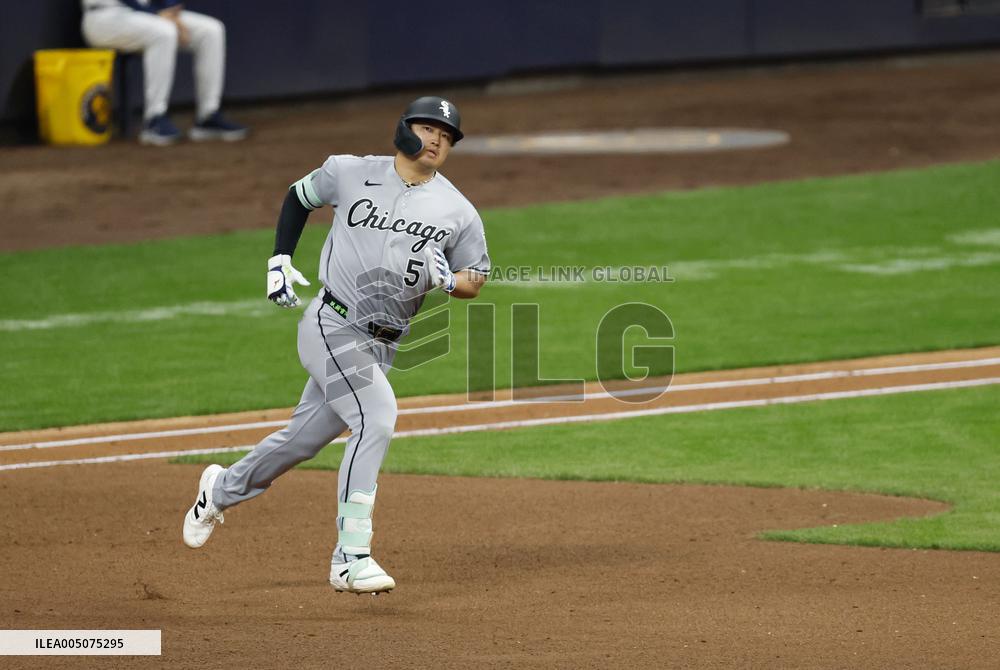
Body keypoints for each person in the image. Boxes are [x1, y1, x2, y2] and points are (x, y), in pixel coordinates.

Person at [182, 96, 490, 595]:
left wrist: (450, 282)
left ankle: (220, 489)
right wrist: (279, 259)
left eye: (447, 135)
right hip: (332, 322)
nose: (437, 140)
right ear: (404, 129)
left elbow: (476, 277)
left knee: (301, 441)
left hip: (384, 346)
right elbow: (299, 196)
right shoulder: (348, 172)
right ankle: (350, 556)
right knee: (377, 417)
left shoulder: (458, 210)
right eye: (429, 128)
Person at [80, 0, 247, 145]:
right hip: (104, 17)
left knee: (211, 31)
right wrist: (157, 14)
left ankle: (208, 116)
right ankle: (154, 119)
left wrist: (171, 10)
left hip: (143, 15)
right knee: (164, 32)